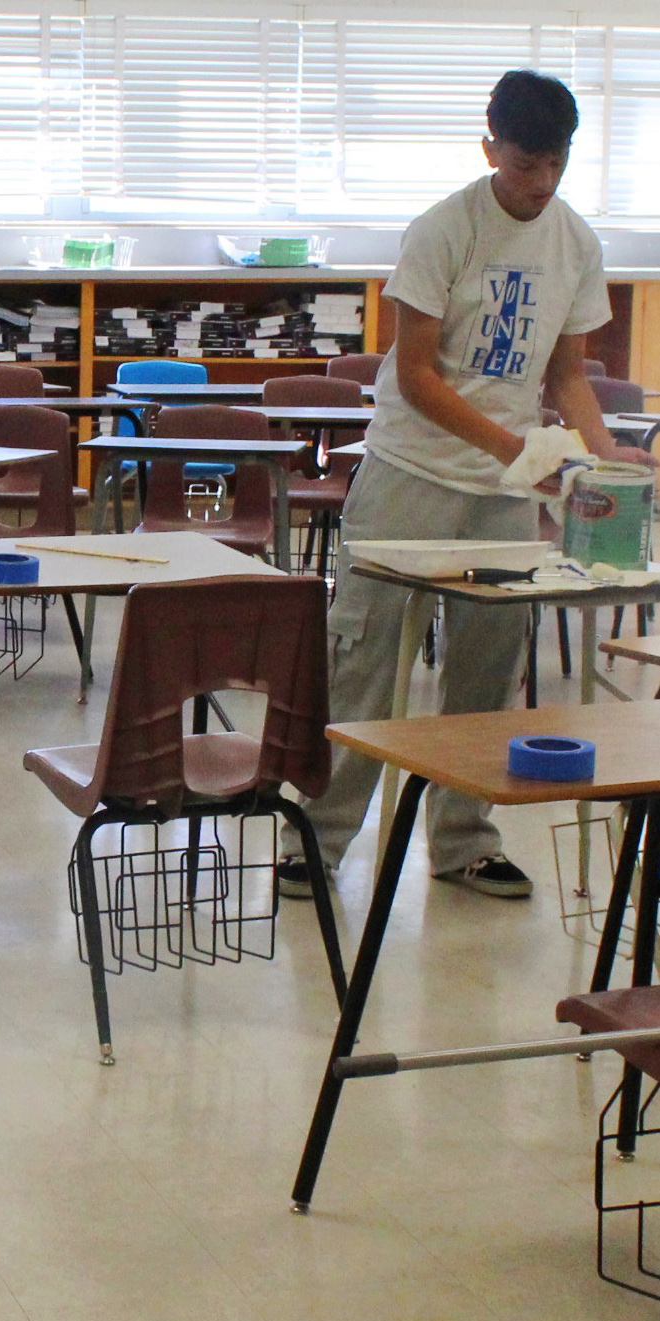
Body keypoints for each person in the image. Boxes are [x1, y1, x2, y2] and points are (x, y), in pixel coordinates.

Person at [277, 69, 659, 902]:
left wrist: (597, 455)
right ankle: (317, 838)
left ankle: (463, 843)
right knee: (365, 662)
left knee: (487, 672)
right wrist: (519, 450)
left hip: (501, 493)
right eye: (525, 164)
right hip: (408, 476)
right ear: (490, 149)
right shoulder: (442, 230)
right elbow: (413, 377)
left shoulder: (575, 243)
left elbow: (567, 376)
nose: (541, 182)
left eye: (555, 163)